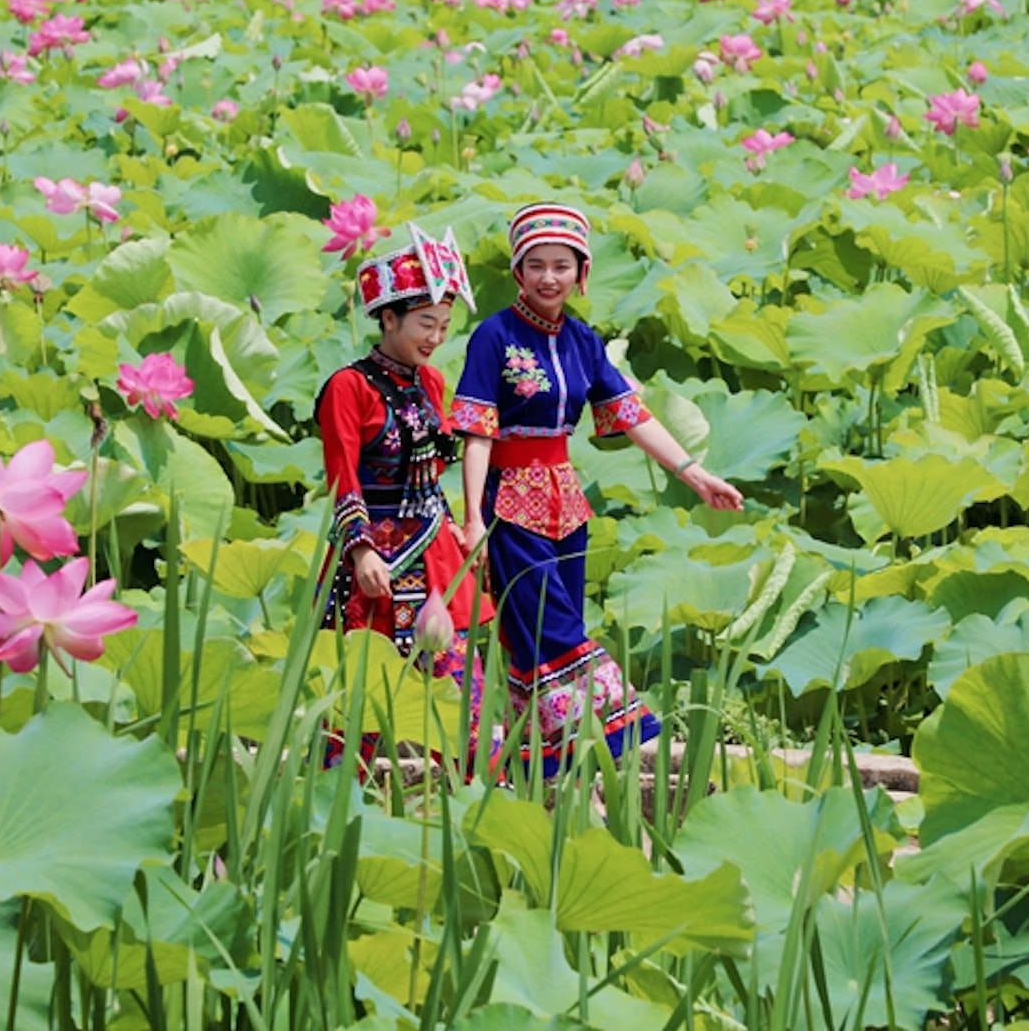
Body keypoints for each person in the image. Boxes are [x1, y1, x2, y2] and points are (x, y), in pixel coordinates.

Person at [450, 202, 742, 782]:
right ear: (517, 270)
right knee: (550, 630)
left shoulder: (584, 341)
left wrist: (695, 473)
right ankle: (613, 733)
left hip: (566, 504)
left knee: (541, 642)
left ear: (581, 271)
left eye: (562, 264)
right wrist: (472, 519)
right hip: (508, 505)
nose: (549, 277)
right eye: (536, 264)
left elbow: (633, 416)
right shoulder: (493, 336)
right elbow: (477, 432)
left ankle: (542, 767)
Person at [315, 223, 494, 764]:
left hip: (434, 547)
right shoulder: (348, 387)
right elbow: (341, 473)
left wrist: (470, 522)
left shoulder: (431, 383)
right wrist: (361, 548)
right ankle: (342, 797)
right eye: (424, 323)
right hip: (373, 555)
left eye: (443, 325)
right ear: (387, 318)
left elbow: (439, 463)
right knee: (361, 695)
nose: (435, 337)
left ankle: (476, 787)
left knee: (461, 688)